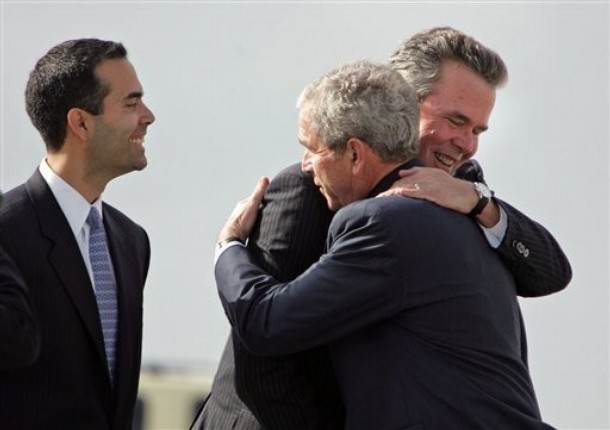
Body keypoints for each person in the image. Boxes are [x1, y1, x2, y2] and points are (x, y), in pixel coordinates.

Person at [193, 26, 571, 429]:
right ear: (402, 101)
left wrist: (481, 204)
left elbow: (551, 272)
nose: (467, 144)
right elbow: (266, 361)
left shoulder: (464, 202)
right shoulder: (309, 187)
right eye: (455, 121)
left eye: (477, 130)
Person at [0, 38, 154, 429]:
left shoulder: (131, 241)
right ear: (81, 123)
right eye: (131, 104)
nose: (148, 117)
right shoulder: (7, 230)